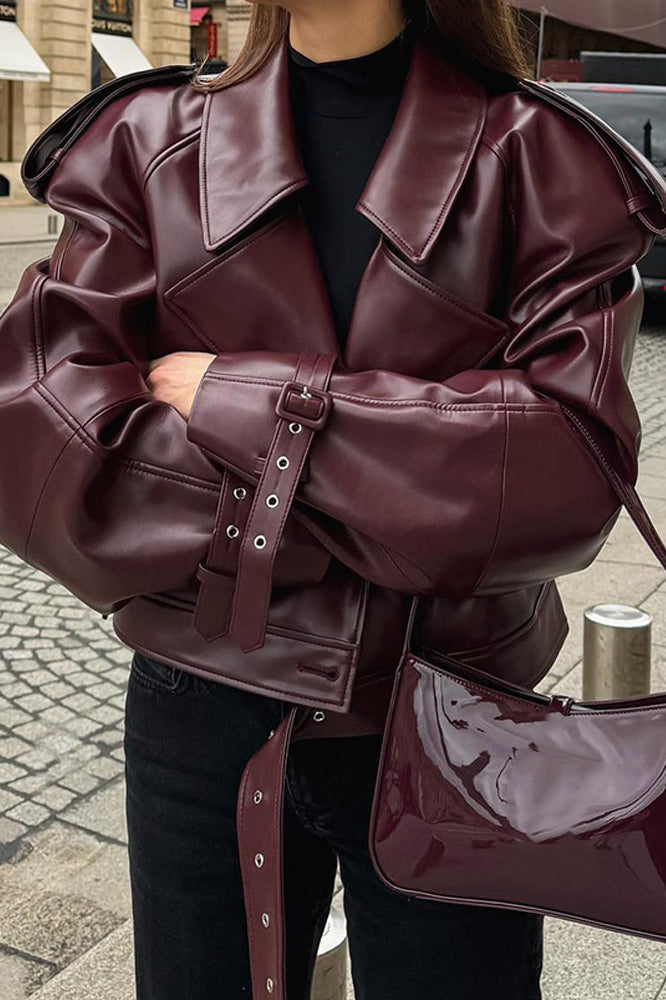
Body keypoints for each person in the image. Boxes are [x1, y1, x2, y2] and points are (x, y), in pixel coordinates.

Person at [2, 0, 665, 997]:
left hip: (457, 718)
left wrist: (239, 403)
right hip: (203, 709)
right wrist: (379, 505)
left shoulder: (544, 162)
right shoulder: (145, 143)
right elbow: (43, 436)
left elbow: (566, 471)